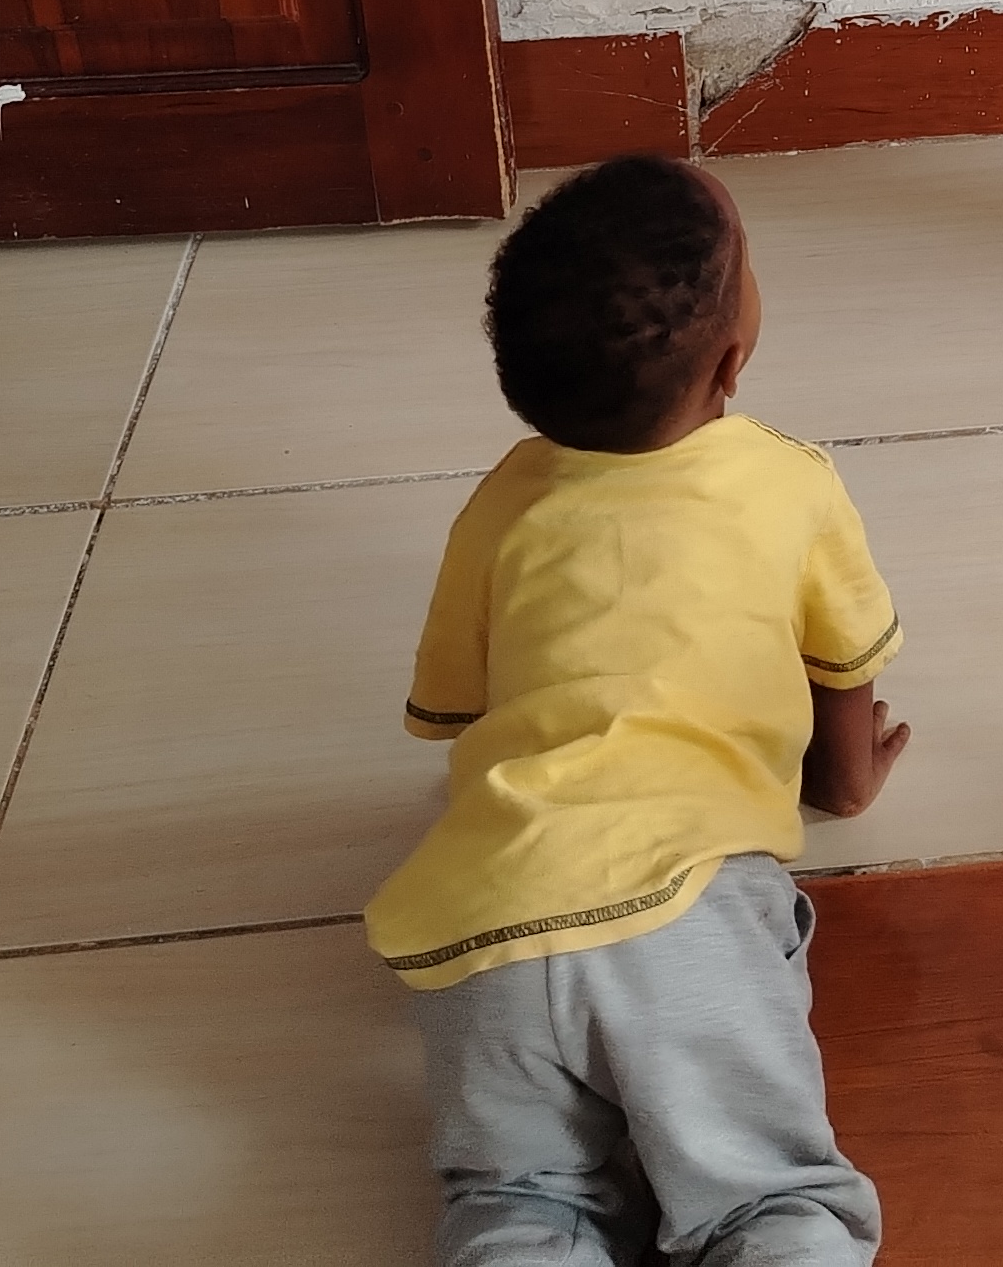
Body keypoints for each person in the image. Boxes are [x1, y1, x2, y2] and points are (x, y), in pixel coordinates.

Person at [367, 156, 907, 1264]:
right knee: (767, 1203)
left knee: (516, 1203)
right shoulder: (790, 480)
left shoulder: (503, 501)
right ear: (733, 360)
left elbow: (460, 708)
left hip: (482, 922)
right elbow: (842, 663)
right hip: (682, 904)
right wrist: (845, 782)